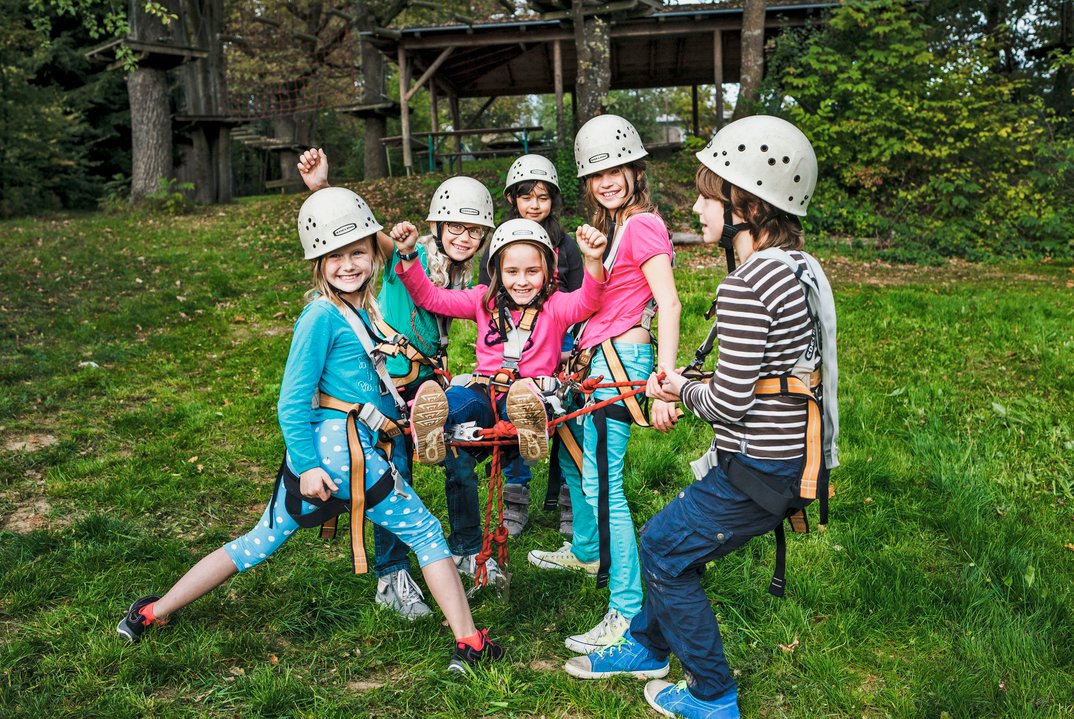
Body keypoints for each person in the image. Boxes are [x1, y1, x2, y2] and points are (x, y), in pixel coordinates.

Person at [116, 188, 504, 674]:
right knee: (426, 532)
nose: (349, 264)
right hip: (340, 457)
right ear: (317, 263)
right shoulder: (320, 316)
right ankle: (470, 642)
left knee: (255, 543)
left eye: (358, 252)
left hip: (338, 451)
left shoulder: (361, 310)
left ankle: (150, 613)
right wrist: (306, 467)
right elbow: (291, 401)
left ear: (372, 254)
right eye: (335, 256)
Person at [563, 115, 838, 719]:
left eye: (708, 194)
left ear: (746, 205)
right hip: (784, 458)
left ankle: (713, 693)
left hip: (760, 467)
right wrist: (692, 382)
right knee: (674, 541)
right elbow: (760, 377)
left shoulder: (747, 285)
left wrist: (676, 389)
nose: (695, 206)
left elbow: (728, 403)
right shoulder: (791, 268)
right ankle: (645, 646)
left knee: (661, 548)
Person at [296, 149, 500, 616]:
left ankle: (467, 551)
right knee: (393, 473)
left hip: (429, 381)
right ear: (437, 227)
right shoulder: (409, 256)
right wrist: (323, 190)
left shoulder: (470, 275)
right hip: (388, 380)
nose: (464, 237)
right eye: (455, 228)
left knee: (459, 459)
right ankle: (393, 575)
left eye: (474, 231)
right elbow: (363, 235)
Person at [527, 114, 682, 655]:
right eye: (596, 174)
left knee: (603, 484)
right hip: (594, 354)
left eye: (616, 169)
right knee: (574, 460)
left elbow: (668, 301)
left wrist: (662, 378)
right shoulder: (618, 227)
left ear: (636, 170)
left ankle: (627, 610)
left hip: (621, 360)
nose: (607, 180)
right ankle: (587, 547)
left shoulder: (641, 226)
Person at [392, 218, 608, 512]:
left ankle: (529, 427)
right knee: (456, 400)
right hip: (486, 389)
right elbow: (431, 297)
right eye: (512, 272)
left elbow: (588, 301)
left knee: (522, 403)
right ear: (496, 271)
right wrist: (408, 255)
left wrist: (593, 260)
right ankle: (433, 424)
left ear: (548, 271)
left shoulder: (555, 305)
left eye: (532, 271)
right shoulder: (483, 300)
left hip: (531, 392)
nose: (522, 281)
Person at [476, 154, 584, 537]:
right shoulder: (500, 241)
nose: (534, 205)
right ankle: (515, 496)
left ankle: (570, 498)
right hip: (514, 344)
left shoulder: (565, 245)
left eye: (542, 197)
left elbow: (578, 296)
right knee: (515, 416)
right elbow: (489, 294)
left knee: (567, 420)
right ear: (512, 200)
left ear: (554, 199)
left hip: (559, 337)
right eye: (526, 197)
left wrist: (571, 348)